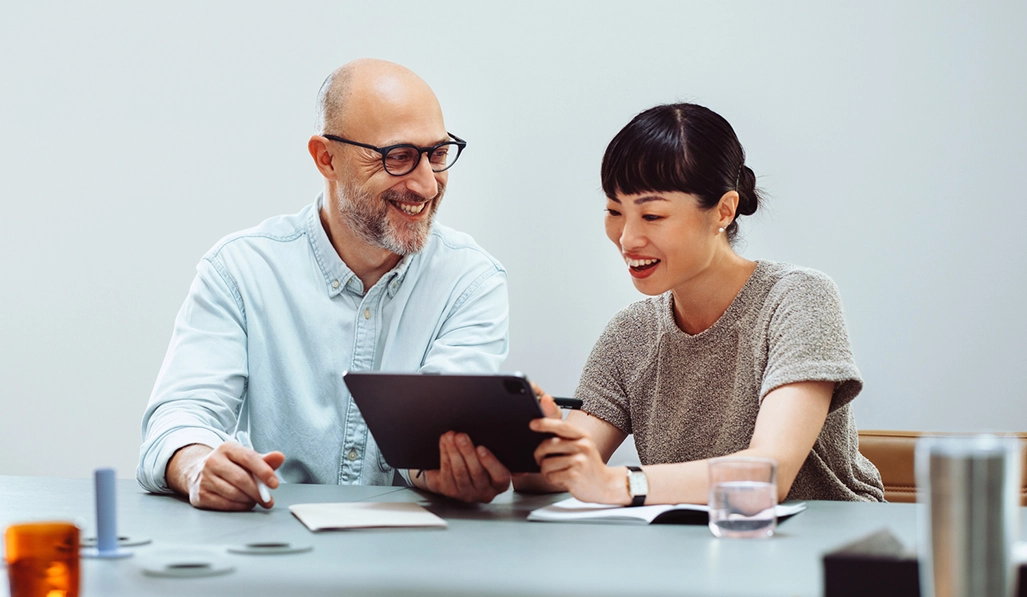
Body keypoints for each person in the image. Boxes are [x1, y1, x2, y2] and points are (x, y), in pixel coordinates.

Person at [138, 59, 516, 510]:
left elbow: (441, 443)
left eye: (436, 154)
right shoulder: (240, 270)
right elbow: (180, 417)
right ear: (326, 158)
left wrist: (448, 468)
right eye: (398, 157)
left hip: (414, 560)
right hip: (275, 546)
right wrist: (198, 464)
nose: (427, 185)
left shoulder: (471, 281)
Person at [523, 103, 884, 505]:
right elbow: (560, 475)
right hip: (702, 556)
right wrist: (538, 438)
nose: (626, 239)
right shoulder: (630, 334)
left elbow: (770, 473)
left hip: (825, 550)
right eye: (614, 211)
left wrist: (617, 484)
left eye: (652, 215)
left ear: (723, 211)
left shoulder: (797, 298)